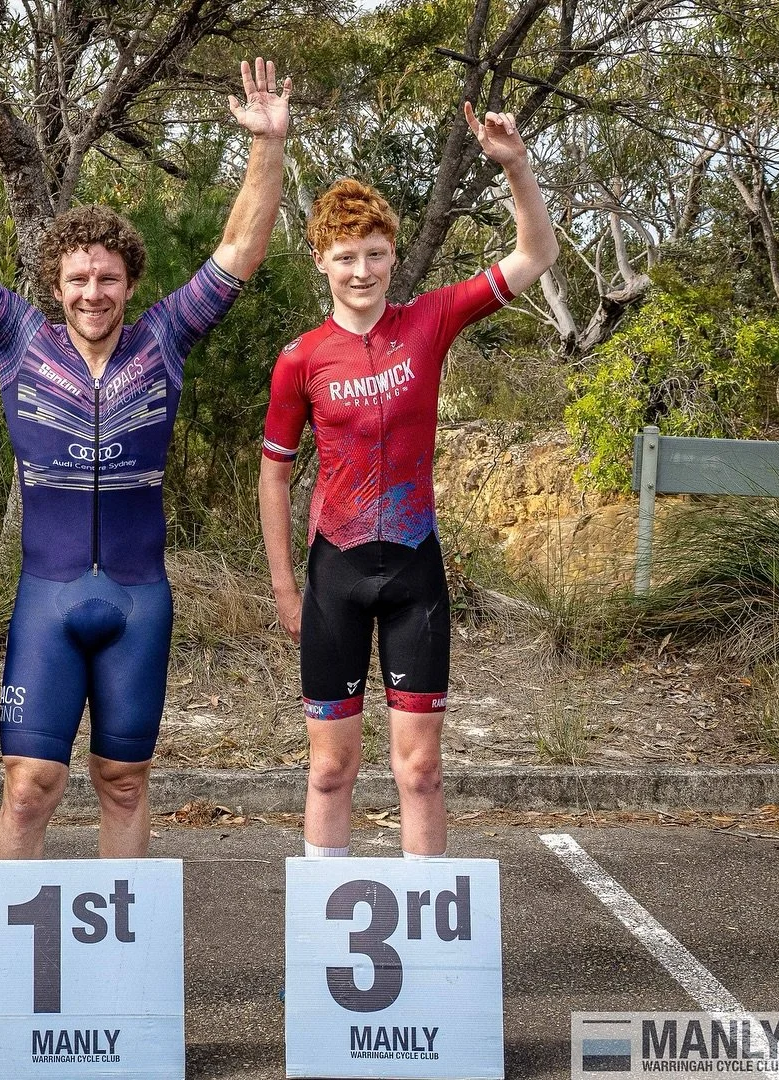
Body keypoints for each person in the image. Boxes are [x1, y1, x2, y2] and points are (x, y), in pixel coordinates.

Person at [0, 49, 290, 859]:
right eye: (78, 279)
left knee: (123, 779)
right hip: (47, 598)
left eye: (108, 278)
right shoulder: (16, 337)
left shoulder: (167, 338)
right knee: (29, 784)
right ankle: (14, 974)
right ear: (56, 282)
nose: (93, 293)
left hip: (139, 602)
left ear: (129, 281)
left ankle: (122, 969)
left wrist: (268, 144)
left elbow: (239, 251)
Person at [259, 104, 559, 860]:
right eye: (346, 257)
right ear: (320, 262)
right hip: (336, 573)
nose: (361, 271)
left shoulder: (430, 320)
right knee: (330, 770)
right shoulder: (301, 358)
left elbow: (537, 253)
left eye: (375, 254)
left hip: (416, 570)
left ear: (394, 255)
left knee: (420, 770)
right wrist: (285, 588)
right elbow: (274, 473)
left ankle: (427, 951)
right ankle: (329, 936)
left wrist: (516, 166)